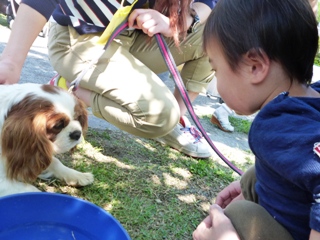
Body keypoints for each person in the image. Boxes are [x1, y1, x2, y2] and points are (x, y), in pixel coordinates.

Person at [0, 0, 217, 158]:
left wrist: (182, 20)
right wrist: (11, 62)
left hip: (136, 37)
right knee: (159, 115)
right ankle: (74, 90)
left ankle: (175, 123)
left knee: (217, 32)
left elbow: (209, 2)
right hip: (82, 35)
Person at [193, 0, 320, 239]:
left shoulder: (281, 127)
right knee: (251, 178)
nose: (217, 82)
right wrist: (260, 180)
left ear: (255, 67)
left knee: (240, 216)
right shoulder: (309, 105)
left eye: (216, 69)